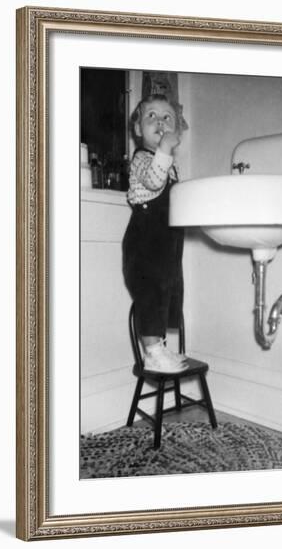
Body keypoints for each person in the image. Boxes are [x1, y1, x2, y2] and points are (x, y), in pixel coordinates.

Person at [122, 94, 188, 373]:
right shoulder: (141, 159)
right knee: (149, 293)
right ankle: (151, 352)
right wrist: (164, 149)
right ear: (138, 130)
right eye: (151, 116)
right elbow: (152, 180)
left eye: (167, 117)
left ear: (177, 130)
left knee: (166, 293)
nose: (160, 121)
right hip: (145, 242)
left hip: (166, 242)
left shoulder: (170, 166)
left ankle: (158, 347)